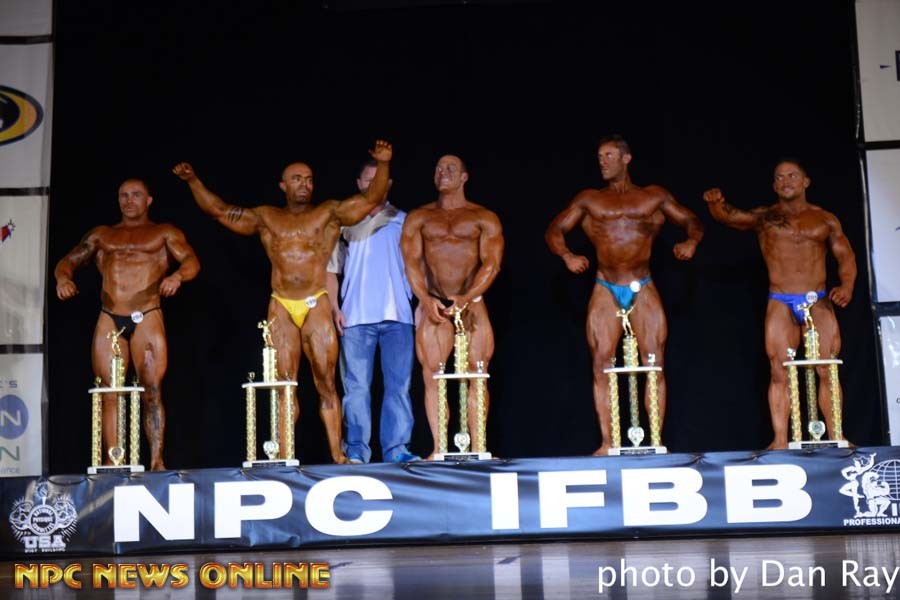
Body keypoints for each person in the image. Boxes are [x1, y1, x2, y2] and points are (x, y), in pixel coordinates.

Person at [172, 140, 392, 464]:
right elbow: (219, 211)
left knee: (326, 383)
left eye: (309, 179)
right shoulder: (267, 217)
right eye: (297, 179)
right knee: (284, 385)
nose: (304, 184)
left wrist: (383, 163)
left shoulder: (329, 213)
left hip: (316, 302)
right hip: (282, 306)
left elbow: (371, 199)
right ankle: (286, 455)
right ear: (283, 185)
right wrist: (193, 181)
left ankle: (338, 455)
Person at [545, 135, 703, 456]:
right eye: (600, 157)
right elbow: (555, 230)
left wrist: (691, 242)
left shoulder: (653, 196)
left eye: (609, 156)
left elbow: (691, 220)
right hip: (605, 286)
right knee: (601, 363)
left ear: (626, 158)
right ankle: (607, 442)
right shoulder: (590, 200)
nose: (602, 162)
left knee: (654, 363)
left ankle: (655, 439)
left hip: (643, 285)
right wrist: (567, 256)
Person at [704, 159, 856, 449]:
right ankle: (780, 440)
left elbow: (845, 256)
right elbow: (732, 218)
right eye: (779, 177)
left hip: (817, 298)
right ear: (774, 186)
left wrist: (847, 286)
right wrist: (716, 204)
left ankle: (837, 436)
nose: (785, 181)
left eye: (792, 176)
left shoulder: (825, 219)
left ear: (806, 182)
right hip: (780, 300)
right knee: (779, 371)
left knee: (827, 368)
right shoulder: (766, 217)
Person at [55, 178, 200, 471]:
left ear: (149, 200)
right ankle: (112, 459)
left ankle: (156, 460)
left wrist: (177, 277)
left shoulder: (164, 232)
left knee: (152, 390)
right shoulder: (102, 235)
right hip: (110, 315)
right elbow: (68, 260)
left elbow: (191, 261)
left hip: (147, 314)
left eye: (135, 195)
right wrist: (62, 278)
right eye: (123, 195)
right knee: (109, 391)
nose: (129, 200)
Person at [400, 155, 503, 459]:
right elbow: (411, 263)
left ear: (464, 177)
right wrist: (424, 298)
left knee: (477, 373)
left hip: (472, 301)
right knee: (432, 375)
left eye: (450, 169)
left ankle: (479, 446)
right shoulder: (419, 218)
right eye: (438, 169)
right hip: (435, 300)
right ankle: (438, 448)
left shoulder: (483, 217)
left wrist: (468, 296)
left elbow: (492, 264)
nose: (442, 173)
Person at [325, 160, 419, 463]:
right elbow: (331, 270)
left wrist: (420, 304)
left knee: (399, 387)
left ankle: (397, 449)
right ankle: (356, 451)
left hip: (398, 315)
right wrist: (334, 307)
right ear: (358, 184)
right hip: (355, 317)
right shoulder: (345, 222)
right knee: (355, 389)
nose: (373, 184)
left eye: (378, 179)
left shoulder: (404, 220)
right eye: (367, 180)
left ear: (388, 183)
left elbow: (417, 267)